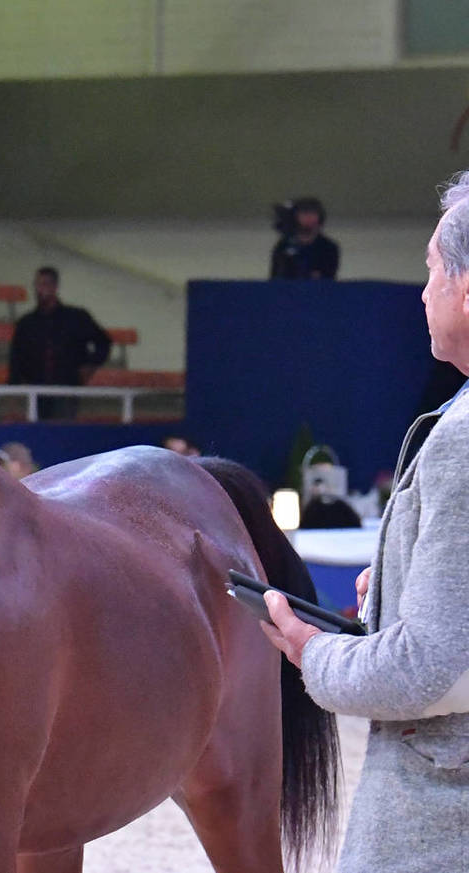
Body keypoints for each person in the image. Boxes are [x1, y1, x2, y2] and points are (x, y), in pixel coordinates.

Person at [260, 170, 469, 873]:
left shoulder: (464, 438)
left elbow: (424, 670)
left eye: (433, 271)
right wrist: (405, 585)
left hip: (441, 822)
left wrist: (312, 654)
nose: (423, 291)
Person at [7, 266, 111, 421]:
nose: (41, 289)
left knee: (63, 429)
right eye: (38, 284)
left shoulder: (76, 318)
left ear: (55, 287)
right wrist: (13, 392)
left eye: (45, 284)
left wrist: (89, 366)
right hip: (35, 391)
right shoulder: (26, 324)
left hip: (67, 389)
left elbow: (103, 342)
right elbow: (16, 360)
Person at [269, 196, 340, 280]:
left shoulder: (328, 247)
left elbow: (328, 279)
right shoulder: (283, 246)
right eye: (304, 213)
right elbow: (275, 279)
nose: (309, 217)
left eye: (313, 213)